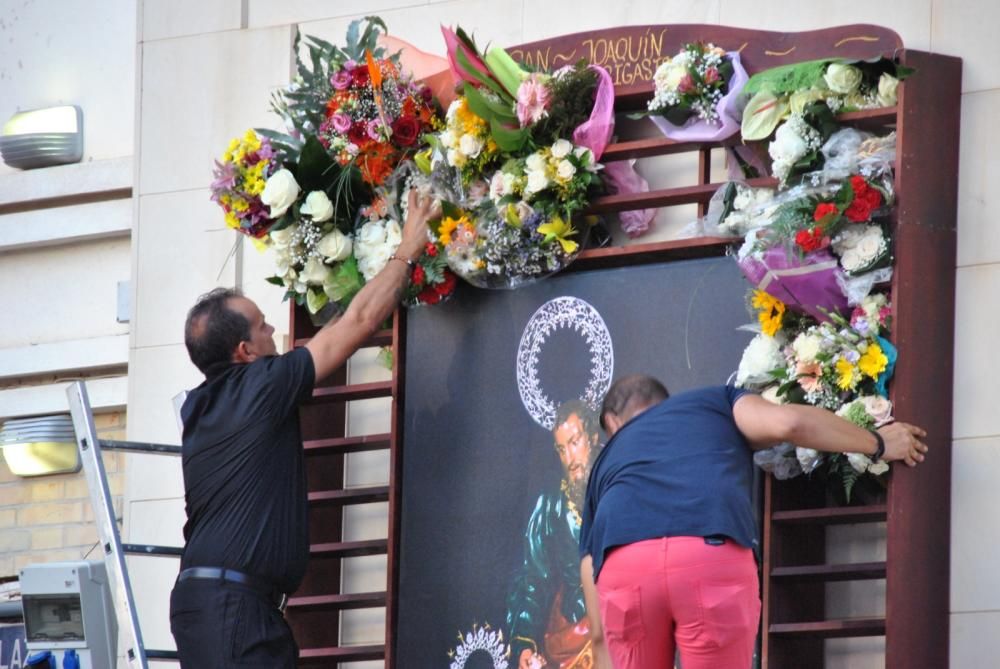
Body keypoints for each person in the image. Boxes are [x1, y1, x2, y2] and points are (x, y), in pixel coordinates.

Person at [168, 191, 438, 668]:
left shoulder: (202, 406)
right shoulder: (261, 385)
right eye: (262, 326)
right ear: (244, 352)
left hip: (217, 604)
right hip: (234, 610)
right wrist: (408, 247)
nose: (274, 329)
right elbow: (357, 320)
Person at [579, 374, 928, 669]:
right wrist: (880, 442)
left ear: (615, 425)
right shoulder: (715, 401)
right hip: (707, 553)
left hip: (625, 565)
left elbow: (597, 630)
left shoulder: (606, 462)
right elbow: (790, 423)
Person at [506, 400, 610, 669]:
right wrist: (524, 645)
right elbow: (532, 580)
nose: (570, 459)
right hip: (575, 636)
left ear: (593, 436)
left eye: (575, 442)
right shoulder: (551, 506)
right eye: (561, 450)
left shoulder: (624, 483)